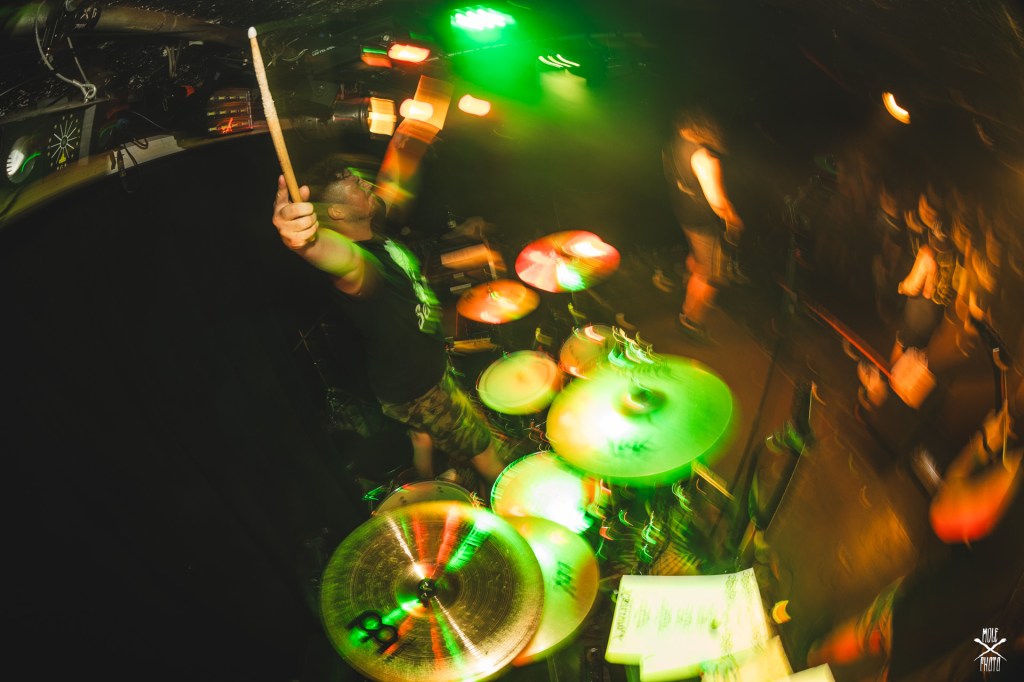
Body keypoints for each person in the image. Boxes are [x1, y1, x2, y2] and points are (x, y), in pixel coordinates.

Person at [271, 163, 507, 492]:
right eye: (357, 185)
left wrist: (413, 138)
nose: (368, 185)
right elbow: (337, 256)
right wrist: (305, 243)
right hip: (420, 387)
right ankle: (510, 501)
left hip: (400, 385)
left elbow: (396, 178)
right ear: (338, 212)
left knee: (421, 435)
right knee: (480, 446)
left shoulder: (374, 235)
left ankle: (425, 492)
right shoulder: (359, 265)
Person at [807, 378, 1024, 679]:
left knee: (869, 630)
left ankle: (809, 659)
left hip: (932, 614)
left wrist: (981, 446)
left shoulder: (1018, 476)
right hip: (983, 650)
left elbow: (944, 516)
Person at [662, 107, 746, 339]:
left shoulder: (674, 142)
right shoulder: (703, 158)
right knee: (712, 276)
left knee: (698, 260)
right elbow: (718, 201)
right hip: (701, 222)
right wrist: (733, 220)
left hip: (684, 214)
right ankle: (691, 321)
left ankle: (691, 288)